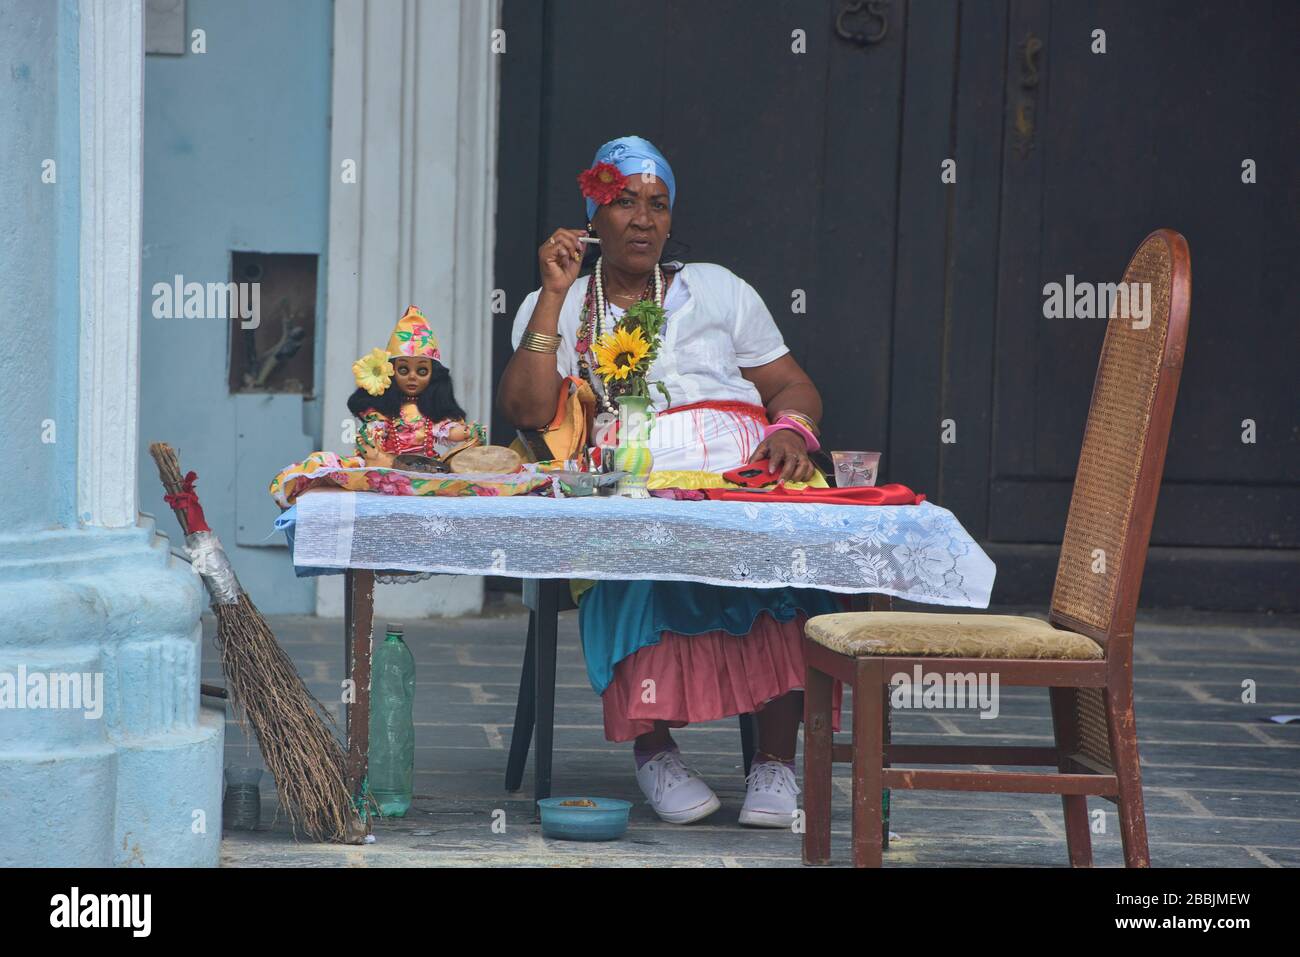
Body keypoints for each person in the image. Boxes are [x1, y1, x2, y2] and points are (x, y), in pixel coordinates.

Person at [498, 135, 841, 827]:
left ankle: (775, 763)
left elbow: (791, 384)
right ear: (592, 215)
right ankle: (655, 751)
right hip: (634, 481)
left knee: (783, 568)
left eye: (658, 204)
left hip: (742, 474)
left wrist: (790, 429)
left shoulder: (718, 288)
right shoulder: (562, 302)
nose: (645, 219)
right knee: (628, 553)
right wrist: (554, 293)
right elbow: (528, 412)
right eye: (626, 202)